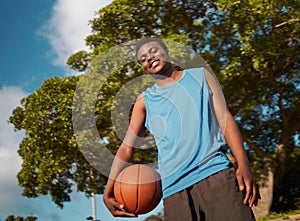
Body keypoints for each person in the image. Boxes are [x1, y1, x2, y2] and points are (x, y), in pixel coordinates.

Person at [103, 37, 260, 220]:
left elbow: (224, 118)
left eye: (153, 51)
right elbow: (126, 148)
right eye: (143, 59)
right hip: (174, 190)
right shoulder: (144, 102)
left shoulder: (201, 76)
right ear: (143, 68)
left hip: (215, 174)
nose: (149, 58)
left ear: (167, 53)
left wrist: (243, 163)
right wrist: (109, 191)